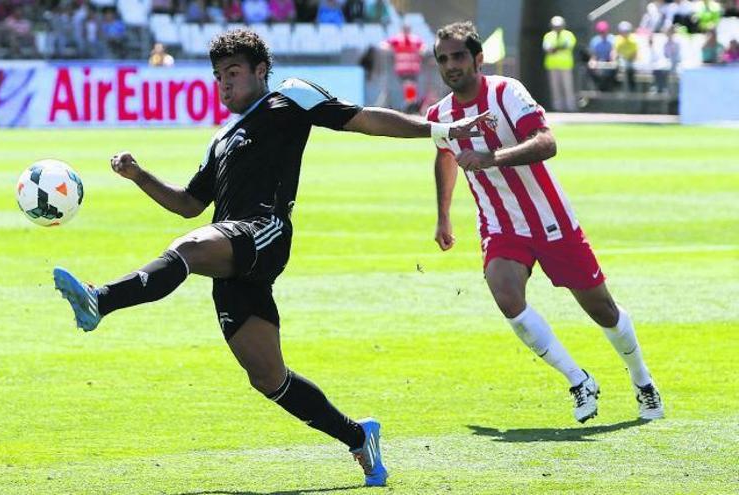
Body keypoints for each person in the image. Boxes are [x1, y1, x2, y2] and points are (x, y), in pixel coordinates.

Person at [52, 28, 490, 487]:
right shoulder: (222, 138)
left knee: (188, 247)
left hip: (265, 232)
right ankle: (359, 436)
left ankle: (99, 300)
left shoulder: (291, 97)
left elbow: (363, 119)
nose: (224, 83)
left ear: (262, 72)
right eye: (219, 75)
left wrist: (437, 130)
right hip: (233, 253)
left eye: (234, 73)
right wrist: (139, 174)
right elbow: (188, 204)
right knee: (268, 377)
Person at [425, 21, 664, 424]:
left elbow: (546, 142)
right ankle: (578, 379)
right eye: (443, 59)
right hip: (501, 225)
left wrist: (492, 158)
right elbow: (445, 154)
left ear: (477, 58)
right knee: (506, 295)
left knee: (602, 310)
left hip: (551, 219)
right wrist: (443, 215)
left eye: (459, 56)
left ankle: (643, 382)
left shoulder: (506, 92)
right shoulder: (440, 114)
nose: (451, 65)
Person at [381, 23, 426, 112]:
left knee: (411, 85)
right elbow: (384, 45)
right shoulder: (398, 39)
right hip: (403, 69)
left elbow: (423, 47)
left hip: (413, 68)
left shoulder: (415, 39)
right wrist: (391, 49)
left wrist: (421, 52)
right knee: (408, 84)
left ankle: (411, 102)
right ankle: (410, 102)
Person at [542, 15, 577, 111]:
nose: (557, 28)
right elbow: (547, 48)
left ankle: (571, 108)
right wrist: (558, 48)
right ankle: (558, 108)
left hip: (565, 65)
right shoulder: (548, 36)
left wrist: (555, 48)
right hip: (552, 66)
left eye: (559, 26)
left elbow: (567, 46)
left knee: (567, 87)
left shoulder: (568, 35)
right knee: (555, 88)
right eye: (555, 26)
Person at [587, 20, 617, 91]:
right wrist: (592, 61)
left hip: (609, 63)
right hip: (599, 63)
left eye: (604, 31)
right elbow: (593, 55)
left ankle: (612, 87)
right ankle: (596, 88)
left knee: (615, 67)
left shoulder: (612, 39)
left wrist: (613, 60)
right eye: (601, 32)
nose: (603, 33)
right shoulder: (594, 41)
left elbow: (614, 52)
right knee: (589, 68)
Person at [614, 21, 639, 91]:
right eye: (623, 31)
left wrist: (627, 59)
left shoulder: (633, 40)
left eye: (626, 31)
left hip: (631, 61)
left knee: (629, 68)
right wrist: (615, 58)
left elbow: (635, 55)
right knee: (614, 66)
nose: (624, 33)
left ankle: (632, 89)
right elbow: (615, 52)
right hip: (621, 61)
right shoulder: (618, 39)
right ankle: (615, 87)